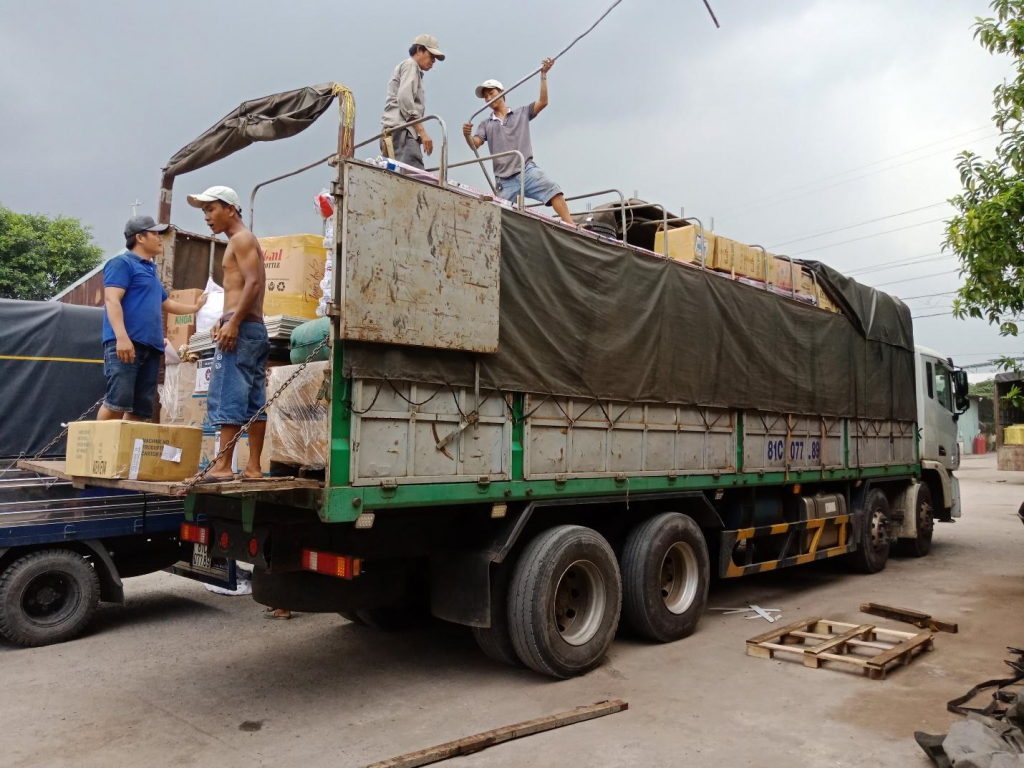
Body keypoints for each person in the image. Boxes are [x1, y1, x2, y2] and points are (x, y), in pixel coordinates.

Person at [186, 186, 269, 482]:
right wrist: (225, 319)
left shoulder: (241, 239)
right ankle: (253, 467)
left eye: (211, 209)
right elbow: (246, 289)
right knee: (254, 400)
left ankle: (222, 467)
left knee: (227, 395)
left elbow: (253, 284)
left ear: (230, 209)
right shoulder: (244, 240)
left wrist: (233, 324)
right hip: (253, 327)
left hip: (243, 327)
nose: (207, 217)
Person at [99, 216, 206, 422]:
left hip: (151, 349)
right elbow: (112, 300)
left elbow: (167, 304)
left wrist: (196, 307)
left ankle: (125, 454)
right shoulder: (122, 263)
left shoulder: (150, 270)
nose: (160, 238)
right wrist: (122, 338)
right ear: (139, 237)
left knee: (140, 409)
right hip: (126, 344)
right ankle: (97, 453)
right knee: (116, 403)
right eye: (155, 233)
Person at [462, 59, 574, 224]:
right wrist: (467, 136)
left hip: (526, 170)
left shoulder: (521, 113)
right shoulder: (485, 124)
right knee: (502, 218)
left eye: (491, 93)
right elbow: (475, 145)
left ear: (502, 93)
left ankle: (571, 225)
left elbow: (543, 102)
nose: (488, 98)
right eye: (485, 97)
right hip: (503, 179)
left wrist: (543, 75)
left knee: (552, 189)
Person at [381, 34, 446, 170]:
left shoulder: (408, 68)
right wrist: (421, 132)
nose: (433, 61)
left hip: (394, 132)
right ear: (419, 50)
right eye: (431, 55)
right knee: (414, 177)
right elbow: (405, 98)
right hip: (402, 131)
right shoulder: (411, 65)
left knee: (396, 177)